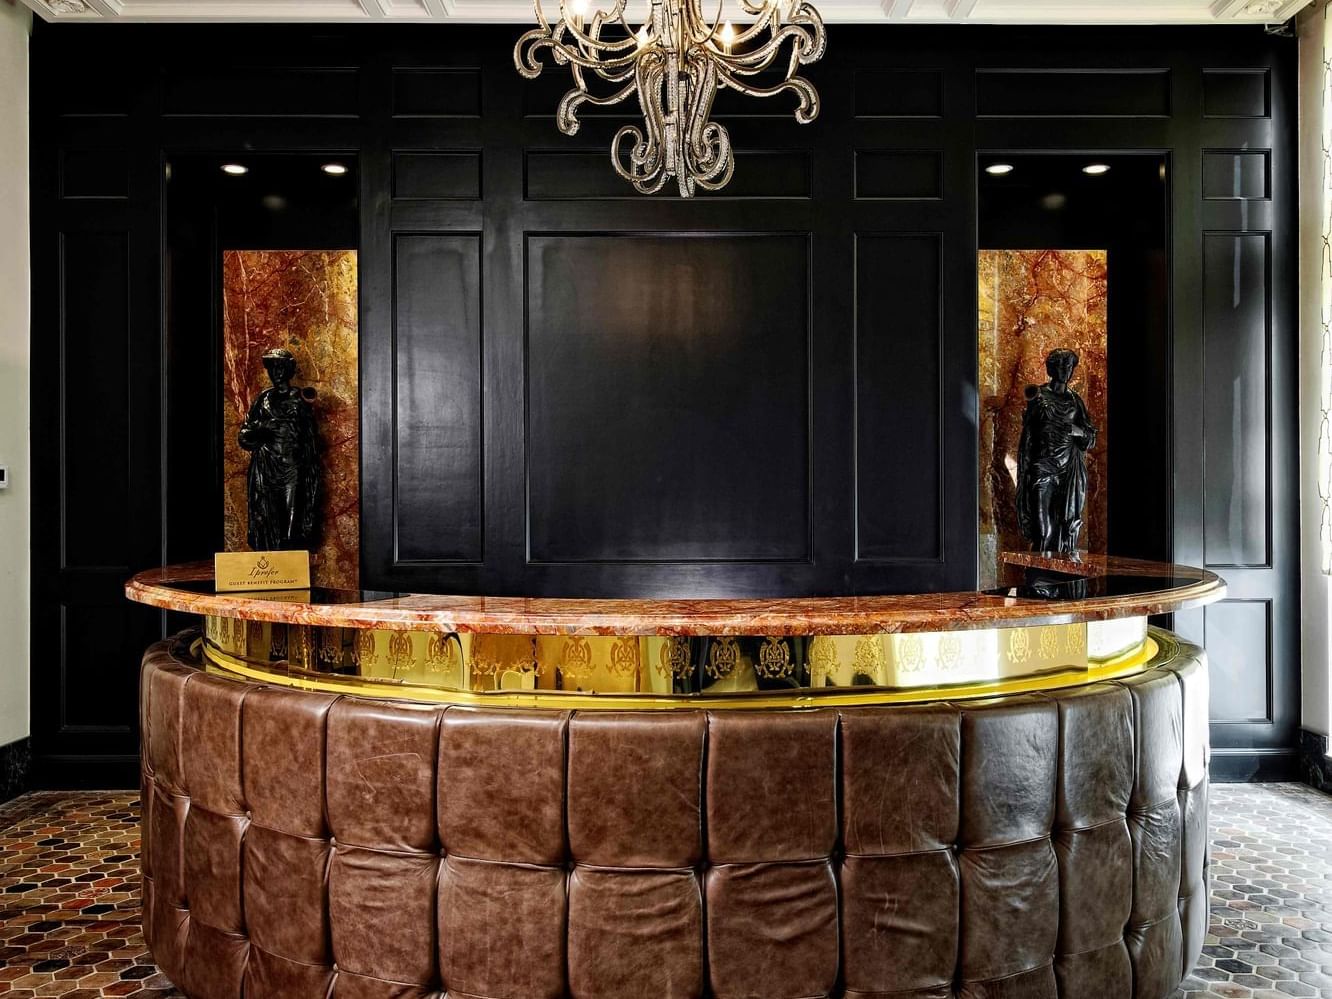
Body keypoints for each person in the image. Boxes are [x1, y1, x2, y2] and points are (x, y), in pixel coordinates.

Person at [1016, 347, 1097, 555]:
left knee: (1066, 526)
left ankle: (1057, 571)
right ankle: (1038, 572)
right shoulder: (1039, 395)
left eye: (1069, 366)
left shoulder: (1075, 401)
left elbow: (1090, 437)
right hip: (1043, 469)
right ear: (1051, 369)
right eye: (1061, 365)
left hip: (1068, 470)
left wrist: (1076, 430)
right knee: (1043, 531)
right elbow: (1028, 435)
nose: (1066, 370)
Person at [238, 347, 320, 551]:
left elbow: (311, 437)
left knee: (293, 520)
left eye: (280, 367)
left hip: (292, 467)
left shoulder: (299, 398)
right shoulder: (263, 399)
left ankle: (290, 562)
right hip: (267, 468)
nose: (276, 372)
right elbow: (244, 435)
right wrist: (263, 427)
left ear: (289, 370)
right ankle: (272, 562)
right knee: (267, 518)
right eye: (272, 367)